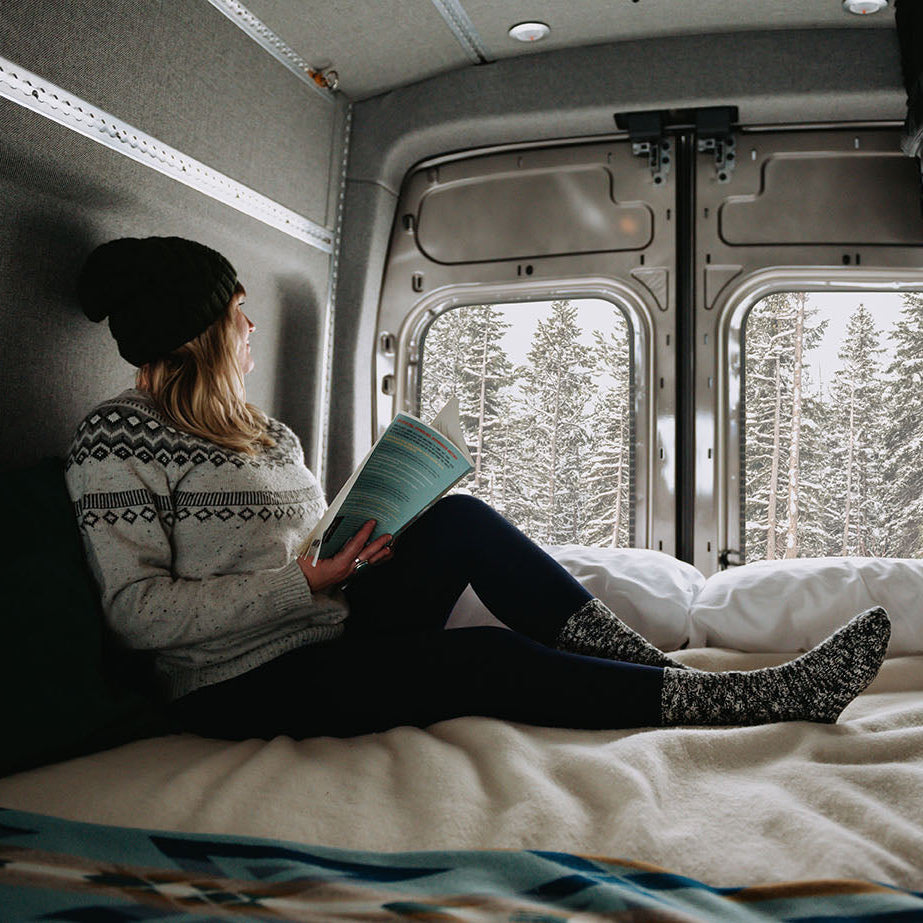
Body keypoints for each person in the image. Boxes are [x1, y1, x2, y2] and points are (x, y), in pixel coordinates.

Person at [66, 236, 890, 741]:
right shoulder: (116, 437)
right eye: (239, 313)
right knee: (487, 658)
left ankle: (653, 673)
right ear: (199, 330)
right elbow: (137, 614)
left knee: (457, 519)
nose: (252, 328)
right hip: (231, 683)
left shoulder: (267, 433)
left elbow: (290, 553)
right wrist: (303, 581)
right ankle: (739, 699)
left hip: (325, 622)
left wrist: (349, 545)